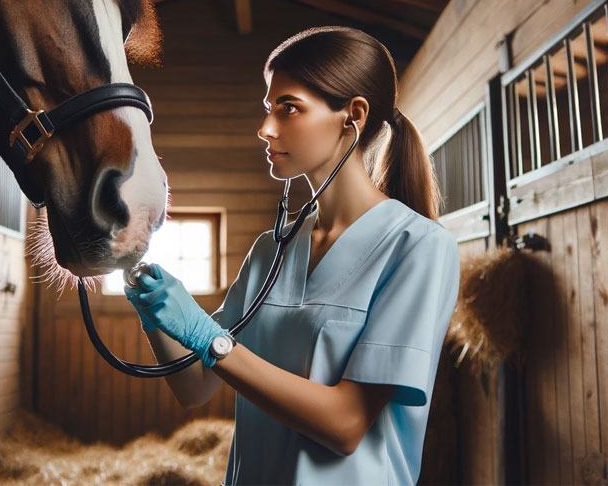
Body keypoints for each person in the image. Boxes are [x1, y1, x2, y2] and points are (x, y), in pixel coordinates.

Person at [125, 26, 460, 485]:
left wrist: (208, 336)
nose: (265, 128)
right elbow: (195, 386)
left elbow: (345, 426)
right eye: (269, 109)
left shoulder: (419, 247)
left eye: (289, 108)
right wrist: (155, 310)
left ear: (352, 114)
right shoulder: (272, 248)